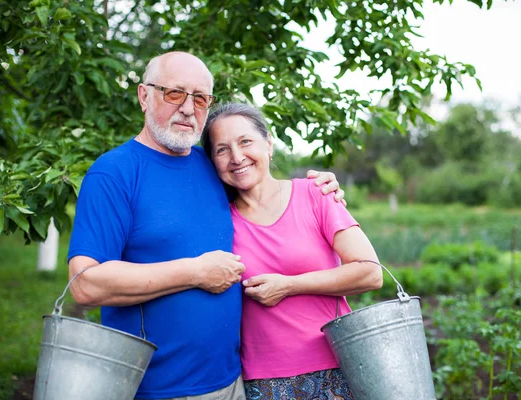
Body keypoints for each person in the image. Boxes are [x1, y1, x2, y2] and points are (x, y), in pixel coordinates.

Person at [67, 51, 344, 400]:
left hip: (234, 381)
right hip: (157, 389)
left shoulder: (211, 164)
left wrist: (317, 191)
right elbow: (85, 284)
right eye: (174, 93)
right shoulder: (114, 173)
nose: (187, 107)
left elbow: (263, 191)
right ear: (143, 96)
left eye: (200, 98)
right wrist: (196, 272)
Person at [201, 103, 383, 400]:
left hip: (336, 368)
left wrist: (288, 285)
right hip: (264, 381)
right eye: (222, 150)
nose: (237, 157)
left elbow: (370, 273)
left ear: (268, 145)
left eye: (246, 142)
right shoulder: (220, 224)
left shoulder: (316, 194)